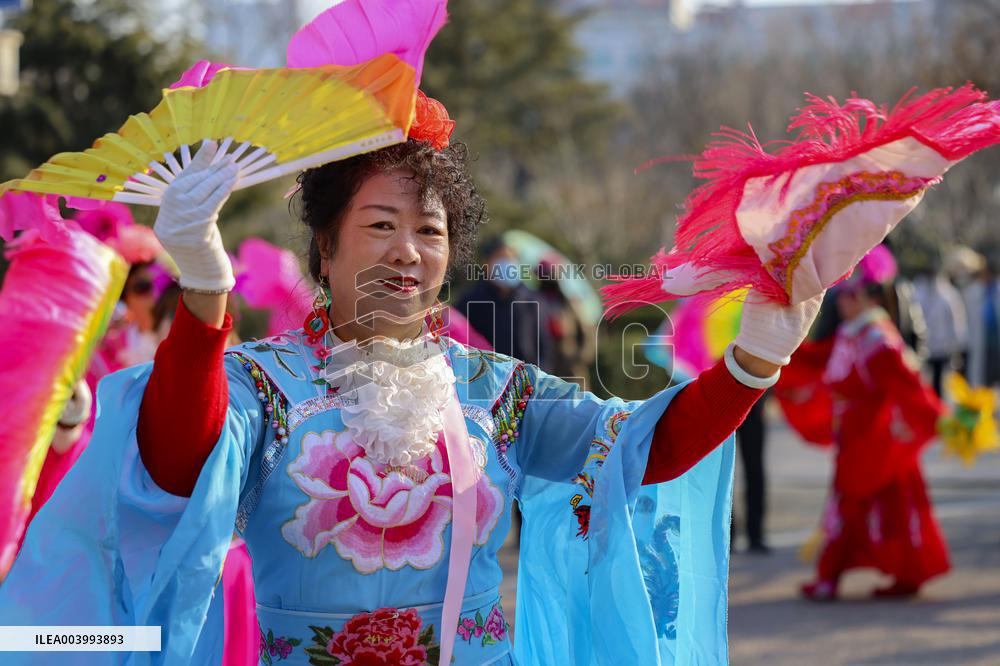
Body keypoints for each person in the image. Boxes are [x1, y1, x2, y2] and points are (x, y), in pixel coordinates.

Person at [2, 94, 822, 665]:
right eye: (380, 226)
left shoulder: (496, 390)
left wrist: (755, 360)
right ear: (325, 248)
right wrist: (205, 294)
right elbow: (177, 462)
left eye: (428, 231)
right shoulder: (262, 381)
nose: (406, 252)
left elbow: (641, 449)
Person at [779, 247, 950, 601]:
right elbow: (818, 359)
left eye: (850, 294)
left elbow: (910, 388)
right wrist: (772, 355)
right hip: (857, 438)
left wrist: (942, 419)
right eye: (842, 295)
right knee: (871, 509)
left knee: (864, 509)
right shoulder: (853, 332)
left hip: (876, 440)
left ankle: (846, 577)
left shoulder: (878, 340)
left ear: (869, 296)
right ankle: (881, 575)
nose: (843, 302)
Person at [913, 270, 967, 396]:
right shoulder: (919, 292)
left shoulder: (948, 294)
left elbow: (955, 320)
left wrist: (956, 342)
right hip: (924, 345)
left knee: (939, 381)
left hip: (942, 346)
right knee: (923, 380)